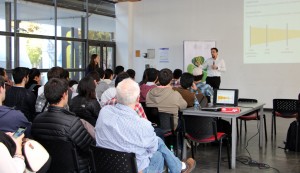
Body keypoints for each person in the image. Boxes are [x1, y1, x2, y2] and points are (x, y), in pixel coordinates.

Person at [95, 78, 196, 173]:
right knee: (158, 149)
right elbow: (151, 149)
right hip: (134, 169)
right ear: (138, 99)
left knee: (158, 149)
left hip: (105, 166)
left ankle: (179, 167)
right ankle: (179, 167)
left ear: (117, 96)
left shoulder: (104, 112)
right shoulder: (142, 125)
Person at [32, 78, 94, 172]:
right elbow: (90, 146)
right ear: (64, 95)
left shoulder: (36, 120)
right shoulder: (72, 122)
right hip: (75, 169)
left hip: (48, 168)